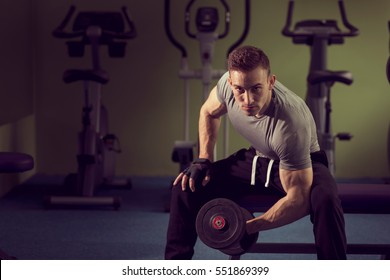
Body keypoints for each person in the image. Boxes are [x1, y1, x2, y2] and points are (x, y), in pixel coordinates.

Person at [165, 45, 347, 260]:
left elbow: (297, 200)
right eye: (240, 90)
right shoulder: (226, 85)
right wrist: (204, 159)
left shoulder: (290, 123)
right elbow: (208, 112)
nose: (248, 100)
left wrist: (246, 227)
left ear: (271, 82)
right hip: (259, 157)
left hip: (301, 161)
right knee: (186, 186)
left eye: (256, 89)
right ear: (231, 83)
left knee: (324, 199)